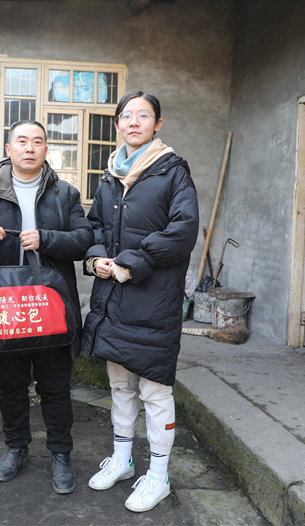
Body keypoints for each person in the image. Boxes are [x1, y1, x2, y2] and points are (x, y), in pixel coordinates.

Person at [0, 120, 93, 494]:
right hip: (5, 308)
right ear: (8, 148)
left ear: (47, 149)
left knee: (55, 385)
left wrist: (46, 238)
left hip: (49, 306)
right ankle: (16, 447)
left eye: (37, 141)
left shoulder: (65, 193)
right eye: (22, 141)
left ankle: (61, 454)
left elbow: (84, 239)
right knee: (11, 384)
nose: (29, 148)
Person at [82, 90, 199, 512]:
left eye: (144, 115)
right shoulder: (110, 175)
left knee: (154, 389)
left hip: (153, 300)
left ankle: (158, 476)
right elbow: (95, 225)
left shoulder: (173, 171)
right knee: (120, 385)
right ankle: (123, 459)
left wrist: (131, 264)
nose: (134, 122)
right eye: (126, 115)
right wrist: (96, 259)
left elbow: (183, 230)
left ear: (157, 124)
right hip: (114, 297)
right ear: (117, 124)